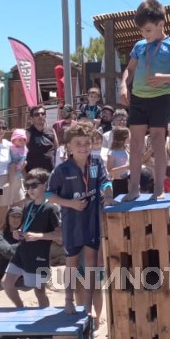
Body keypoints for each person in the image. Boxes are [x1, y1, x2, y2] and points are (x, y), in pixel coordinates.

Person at [119, 0, 170, 200]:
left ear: (161, 24)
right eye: (142, 31)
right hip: (138, 99)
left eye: (148, 30)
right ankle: (133, 189)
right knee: (135, 143)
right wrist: (124, 85)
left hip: (160, 98)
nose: (144, 34)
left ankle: (159, 189)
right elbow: (130, 69)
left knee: (159, 141)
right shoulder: (139, 46)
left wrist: (165, 78)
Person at [47, 122, 114, 316]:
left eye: (87, 142)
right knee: (72, 264)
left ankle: (87, 306)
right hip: (72, 223)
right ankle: (68, 300)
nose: (83, 147)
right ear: (68, 146)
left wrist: (108, 194)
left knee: (92, 264)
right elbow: (48, 196)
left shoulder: (96, 161)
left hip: (92, 220)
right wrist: (70, 204)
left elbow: (105, 181)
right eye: (78, 143)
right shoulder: (62, 170)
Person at [2, 169, 61, 309]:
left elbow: (60, 236)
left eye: (34, 185)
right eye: (27, 186)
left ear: (45, 185)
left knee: (39, 292)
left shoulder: (51, 208)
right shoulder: (28, 205)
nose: (30, 189)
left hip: (40, 256)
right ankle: (20, 308)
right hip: (23, 252)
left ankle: (44, 324)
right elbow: (27, 226)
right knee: (6, 283)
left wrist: (39, 236)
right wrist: (19, 232)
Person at [0, 206, 22, 280]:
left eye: (19, 217)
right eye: (13, 216)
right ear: (7, 218)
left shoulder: (26, 234)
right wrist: (24, 242)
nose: (16, 219)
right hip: (4, 271)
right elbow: (8, 252)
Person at [26, 106, 58, 173]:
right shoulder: (28, 133)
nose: (40, 116)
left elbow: (57, 150)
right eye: (37, 114)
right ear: (31, 118)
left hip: (51, 172)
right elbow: (22, 154)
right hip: (34, 173)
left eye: (42, 113)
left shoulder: (51, 131)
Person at [107, 126, 131, 196]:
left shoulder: (127, 149)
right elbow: (110, 170)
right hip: (118, 182)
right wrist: (126, 167)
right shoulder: (112, 152)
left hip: (128, 180)